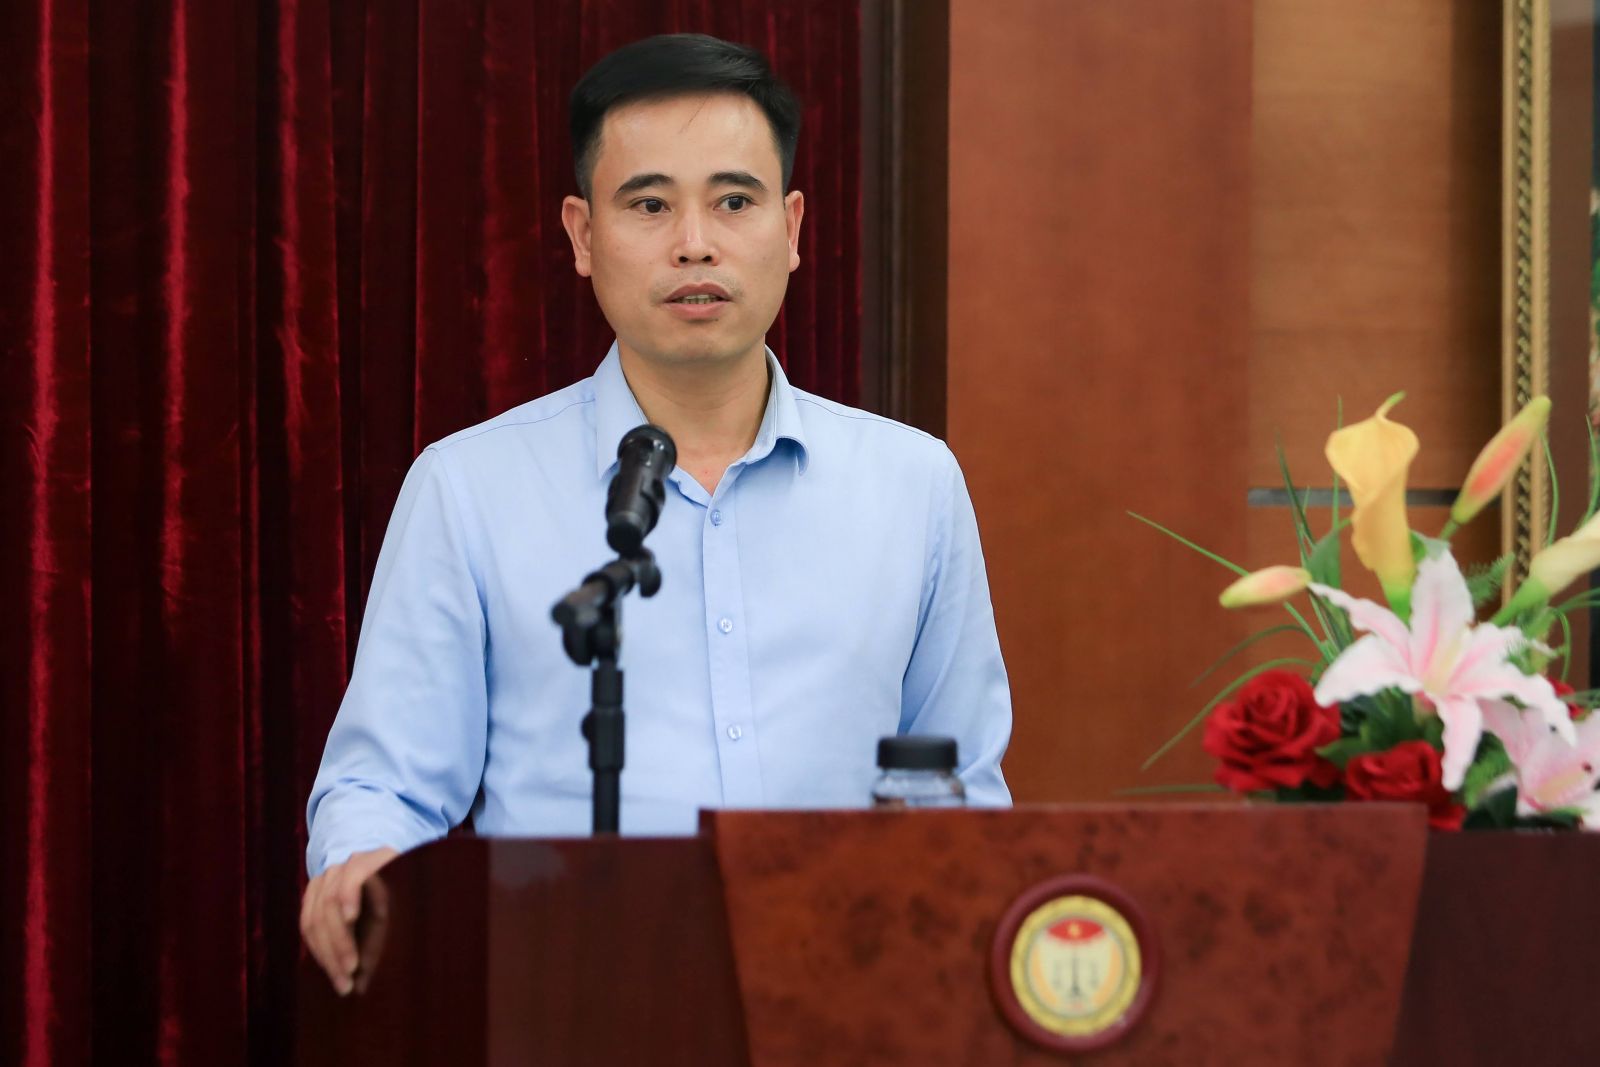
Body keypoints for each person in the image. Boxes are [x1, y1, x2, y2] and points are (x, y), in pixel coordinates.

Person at [299, 33, 1012, 994]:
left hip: (846, 1004)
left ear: (792, 227)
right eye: (648, 204)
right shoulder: (469, 488)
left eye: (734, 201)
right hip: (565, 1002)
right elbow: (383, 787)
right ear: (582, 235)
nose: (694, 243)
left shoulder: (913, 484)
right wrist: (364, 866)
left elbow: (961, 790)